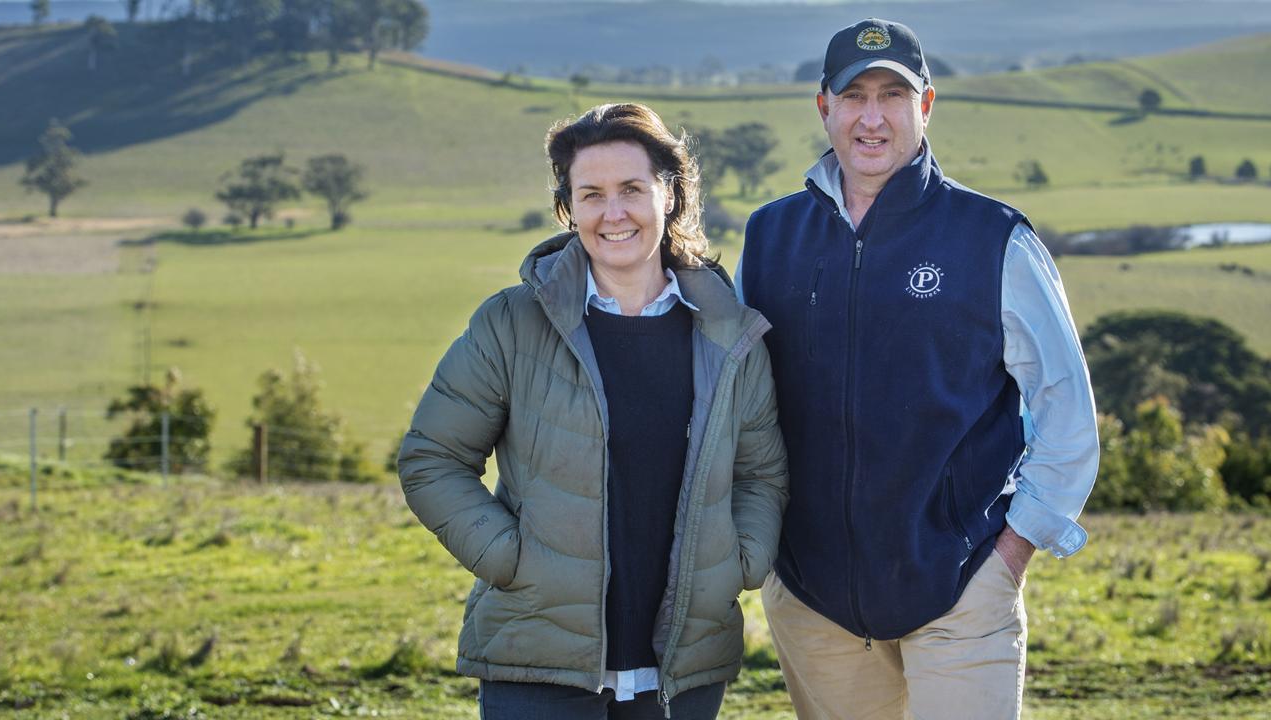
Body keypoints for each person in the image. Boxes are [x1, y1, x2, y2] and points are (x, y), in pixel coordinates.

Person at [737, 18, 1099, 720]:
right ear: (824, 108)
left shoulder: (992, 237)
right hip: (814, 600)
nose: (872, 118)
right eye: (854, 97)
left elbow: (1066, 407)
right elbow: (740, 399)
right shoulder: (771, 235)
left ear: (925, 106)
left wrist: (1013, 553)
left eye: (893, 96)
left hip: (962, 588)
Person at [397, 102, 789, 720]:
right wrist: (511, 560)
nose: (614, 214)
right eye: (591, 194)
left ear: (671, 194)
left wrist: (741, 561)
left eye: (632, 189)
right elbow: (432, 458)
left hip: (683, 671)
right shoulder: (511, 324)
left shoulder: (730, 336)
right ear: (569, 207)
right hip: (537, 660)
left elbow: (761, 474)